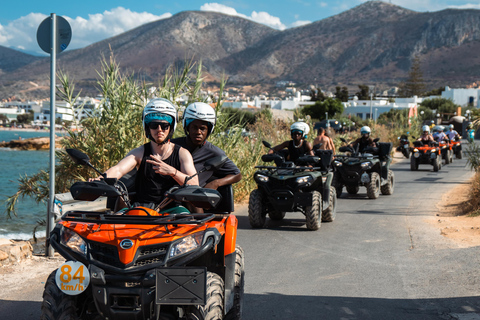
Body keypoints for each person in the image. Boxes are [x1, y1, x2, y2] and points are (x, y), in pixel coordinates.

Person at [91, 98, 198, 209]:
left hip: (172, 209)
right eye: (154, 125)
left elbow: (194, 184)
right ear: (147, 127)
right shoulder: (140, 152)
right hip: (142, 209)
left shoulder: (182, 154)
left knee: (189, 222)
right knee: (115, 221)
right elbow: (118, 169)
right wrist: (99, 180)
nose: (159, 129)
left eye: (164, 125)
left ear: (171, 127)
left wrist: (172, 171)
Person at [172, 102, 242, 189]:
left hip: (193, 198)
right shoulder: (172, 146)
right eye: (194, 127)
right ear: (187, 127)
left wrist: (216, 183)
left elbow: (237, 174)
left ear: (209, 131)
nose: (198, 132)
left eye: (202, 128)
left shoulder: (214, 153)